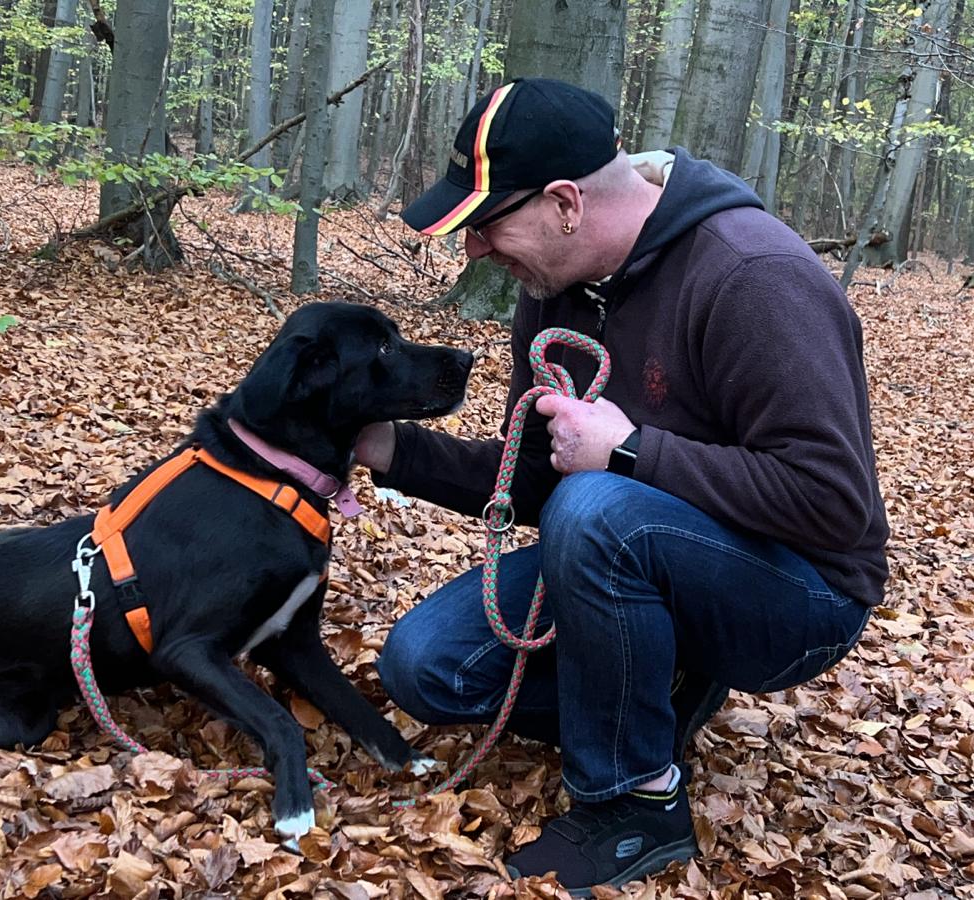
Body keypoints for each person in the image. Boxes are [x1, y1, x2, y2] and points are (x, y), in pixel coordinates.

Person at [353, 78, 889, 894]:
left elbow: (834, 503)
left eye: (488, 224)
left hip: (803, 595)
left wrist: (632, 452)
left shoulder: (754, 274)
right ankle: (654, 681)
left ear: (566, 203)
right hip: (633, 549)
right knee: (424, 668)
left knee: (597, 507)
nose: (475, 251)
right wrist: (387, 448)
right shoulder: (554, 292)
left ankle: (637, 803)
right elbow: (537, 476)